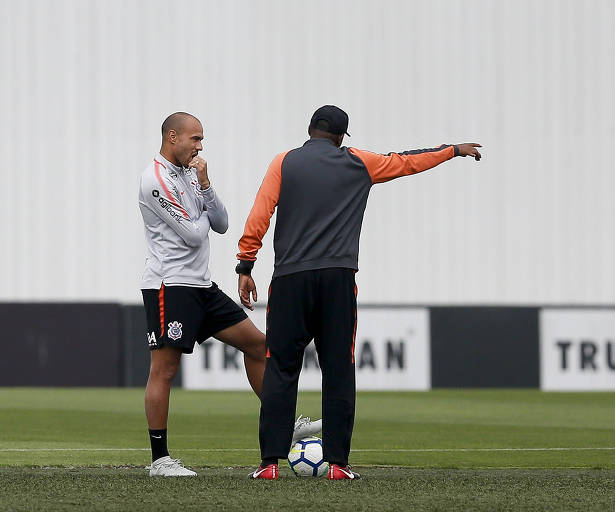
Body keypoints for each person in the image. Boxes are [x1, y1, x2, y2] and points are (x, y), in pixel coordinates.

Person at [235, 105, 482, 480]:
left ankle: (269, 465)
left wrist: (245, 264)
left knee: (281, 368)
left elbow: (259, 215)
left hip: (290, 280)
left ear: (310, 130)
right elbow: (406, 162)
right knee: (338, 369)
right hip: (337, 279)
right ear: (340, 137)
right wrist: (453, 150)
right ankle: (337, 465)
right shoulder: (358, 162)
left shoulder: (283, 162)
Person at [138, 112, 321, 477]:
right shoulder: (153, 180)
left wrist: (205, 186)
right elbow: (192, 235)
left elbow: (220, 223)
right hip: (169, 285)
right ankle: (160, 460)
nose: (201, 146)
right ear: (173, 137)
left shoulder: (191, 173)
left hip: (201, 285)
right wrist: (202, 214)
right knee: (165, 368)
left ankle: (285, 424)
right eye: (195, 138)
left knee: (258, 346)